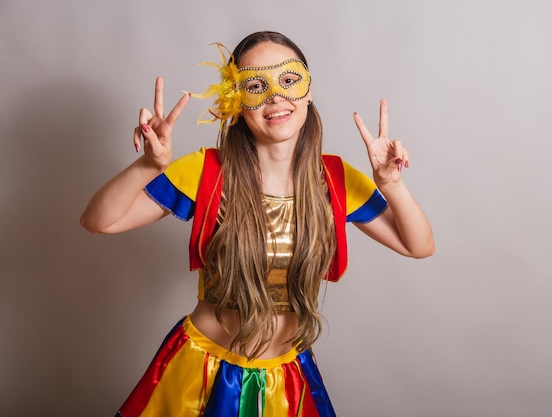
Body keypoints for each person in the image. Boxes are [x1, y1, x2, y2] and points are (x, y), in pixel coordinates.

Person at [80, 30, 434, 417]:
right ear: (236, 103)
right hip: (202, 376)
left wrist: (391, 185)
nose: (274, 96)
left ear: (308, 90)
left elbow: (419, 246)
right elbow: (100, 221)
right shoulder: (206, 170)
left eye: (288, 80)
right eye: (254, 85)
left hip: (287, 381)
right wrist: (149, 165)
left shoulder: (334, 178)